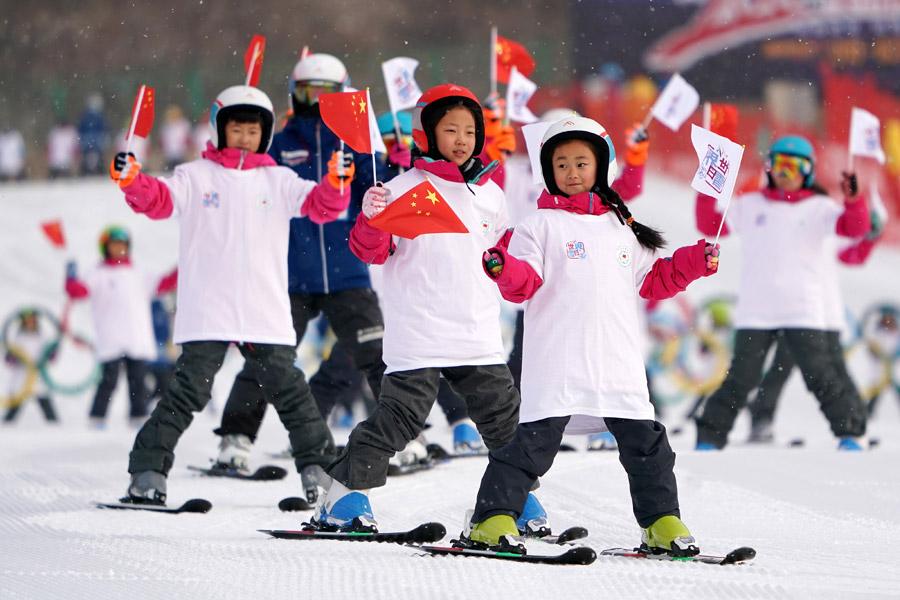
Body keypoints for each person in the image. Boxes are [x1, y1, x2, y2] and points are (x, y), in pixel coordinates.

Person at [459, 116, 719, 556]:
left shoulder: (623, 228)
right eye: (561, 164)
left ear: (603, 167)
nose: (572, 172)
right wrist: (503, 268)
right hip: (560, 362)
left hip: (617, 364)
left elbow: (654, 280)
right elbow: (523, 283)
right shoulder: (538, 226)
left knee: (648, 446)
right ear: (549, 171)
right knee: (533, 447)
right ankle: (491, 518)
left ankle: (661, 522)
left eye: (582, 162)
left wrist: (694, 261)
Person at [108, 84, 350, 505]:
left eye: (253, 131)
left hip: (263, 309)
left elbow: (322, 206)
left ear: (266, 135)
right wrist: (133, 181)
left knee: (291, 393)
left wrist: (336, 181)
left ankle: (319, 471)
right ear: (220, 129)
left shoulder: (278, 179)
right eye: (236, 129)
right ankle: (147, 471)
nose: (244, 137)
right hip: (210, 308)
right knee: (189, 391)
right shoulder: (196, 176)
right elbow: (158, 201)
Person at [312, 83, 522, 532]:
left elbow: (503, 252)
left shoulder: (490, 195)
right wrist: (370, 218)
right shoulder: (401, 188)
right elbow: (370, 252)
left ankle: (510, 504)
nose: (462, 139)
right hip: (419, 335)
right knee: (397, 423)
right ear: (426, 133)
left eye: (470, 130)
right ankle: (342, 498)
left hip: (477, 335)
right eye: (450, 129)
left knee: (506, 424)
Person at [211, 53, 391, 474]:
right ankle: (235, 438)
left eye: (327, 94)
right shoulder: (279, 141)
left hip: (348, 270)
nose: (317, 101)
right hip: (290, 273)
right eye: (309, 92)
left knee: (376, 353)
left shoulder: (355, 143)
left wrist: (381, 158)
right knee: (268, 356)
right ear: (295, 91)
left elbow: (378, 190)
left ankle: (406, 435)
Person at [694, 135, 870, 451]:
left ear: (809, 171)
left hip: (802, 309)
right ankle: (710, 436)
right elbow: (709, 223)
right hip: (756, 310)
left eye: (794, 166)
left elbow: (854, 229)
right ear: (768, 168)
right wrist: (708, 188)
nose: (785, 173)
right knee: (742, 377)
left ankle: (849, 434)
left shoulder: (820, 207)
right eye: (778, 165)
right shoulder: (751, 204)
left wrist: (855, 201)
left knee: (819, 374)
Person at [65, 226, 176, 428]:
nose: (119, 248)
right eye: (114, 244)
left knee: (138, 382)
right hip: (111, 337)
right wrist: (70, 278)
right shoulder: (97, 273)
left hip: (137, 337)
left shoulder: (138, 272)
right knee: (109, 381)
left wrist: (183, 268)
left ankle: (138, 417)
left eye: (123, 244)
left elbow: (164, 284)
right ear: (105, 247)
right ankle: (97, 419)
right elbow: (78, 292)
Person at [3, 309, 58, 424]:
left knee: (47, 408)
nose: (30, 322)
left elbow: (51, 355)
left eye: (32, 320)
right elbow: (8, 358)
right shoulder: (18, 338)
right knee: (13, 410)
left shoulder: (43, 337)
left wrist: (50, 356)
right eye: (27, 320)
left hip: (38, 378)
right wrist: (14, 359)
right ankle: (5, 429)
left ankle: (56, 429)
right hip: (21, 378)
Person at [77, 94, 108, 175]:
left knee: (87, 157)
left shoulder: (85, 116)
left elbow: (80, 129)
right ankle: (100, 171)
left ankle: (85, 172)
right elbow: (104, 128)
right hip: (95, 141)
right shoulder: (98, 116)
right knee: (98, 156)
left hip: (88, 141)